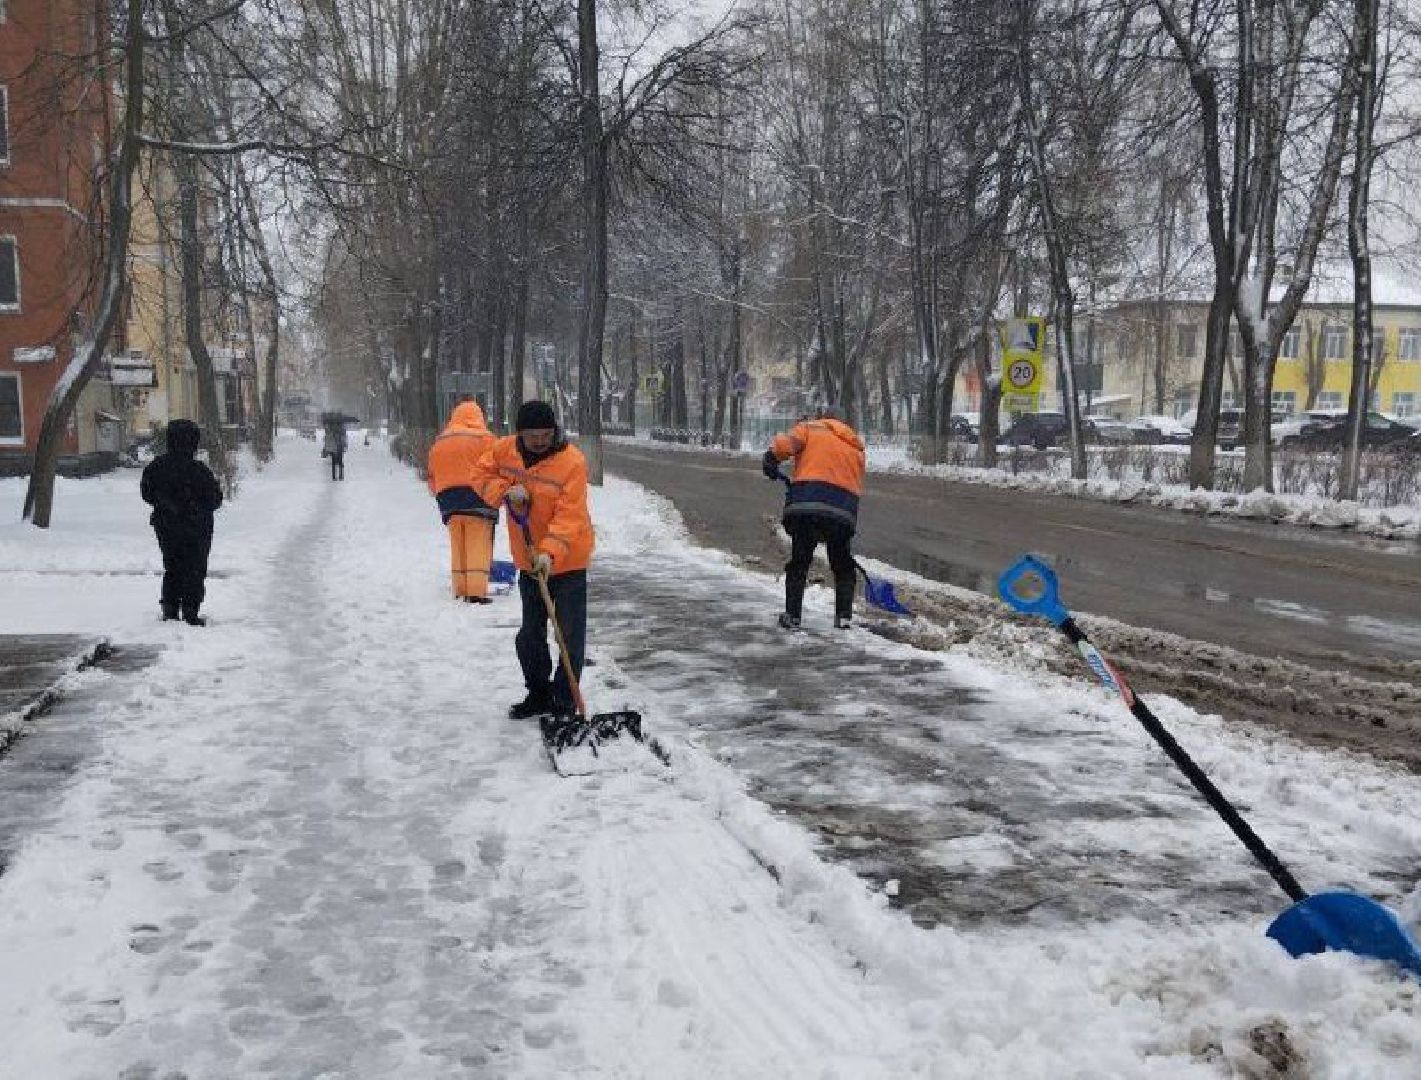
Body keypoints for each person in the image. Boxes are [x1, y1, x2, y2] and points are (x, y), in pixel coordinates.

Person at [473, 400, 595, 719]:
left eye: (546, 433)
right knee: (530, 635)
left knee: (568, 637)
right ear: (520, 435)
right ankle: (539, 694)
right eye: (532, 435)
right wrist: (505, 490)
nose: (540, 441)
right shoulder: (505, 451)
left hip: (567, 562)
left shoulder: (572, 463)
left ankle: (565, 702)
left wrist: (550, 552)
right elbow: (479, 474)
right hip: (528, 561)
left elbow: (571, 516)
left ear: (554, 430)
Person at [762, 404, 866, 630]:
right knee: (842, 565)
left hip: (808, 506)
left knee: (800, 561)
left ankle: (793, 616)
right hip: (842, 512)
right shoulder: (855, 446)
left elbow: (784, 446)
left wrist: (770, 459)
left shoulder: (811, 429)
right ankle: (844, 618)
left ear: (823, 418)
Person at [140, 419, 224, 626]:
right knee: (195, 567)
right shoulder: (200, 471)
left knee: (173, 565)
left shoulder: (156, 468)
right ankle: (190, 610)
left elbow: (147, 493)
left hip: (166, 526)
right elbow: (215, 499)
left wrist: (167, 505)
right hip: (197, 527)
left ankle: (170, 608)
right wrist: (195, 508)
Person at [427, 399, 498, 603]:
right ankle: (475, 592)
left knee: (458, 544)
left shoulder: (440, 441)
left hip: (448, 500)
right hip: (478, 498)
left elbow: (431, 474)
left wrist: (440, 493)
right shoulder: (487, 439)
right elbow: (498, 468)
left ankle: (460, 588)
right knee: (477, 543)